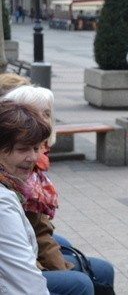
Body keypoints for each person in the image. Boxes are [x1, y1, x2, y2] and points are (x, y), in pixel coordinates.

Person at [2, 85, 115, 294]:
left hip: (30, 258)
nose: (32, 157)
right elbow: (25, 277)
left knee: (83, 261)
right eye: (22, 149)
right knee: (82, 283)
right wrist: (63, 269)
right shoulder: (6, 198)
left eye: (47, 113)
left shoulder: (17, 177)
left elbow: (39, 232)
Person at [0, 101, 51, 294]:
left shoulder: (9, 186)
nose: (32, 158)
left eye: (36, 148)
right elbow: (26, 282)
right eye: (22, 149)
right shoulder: (2, 203)